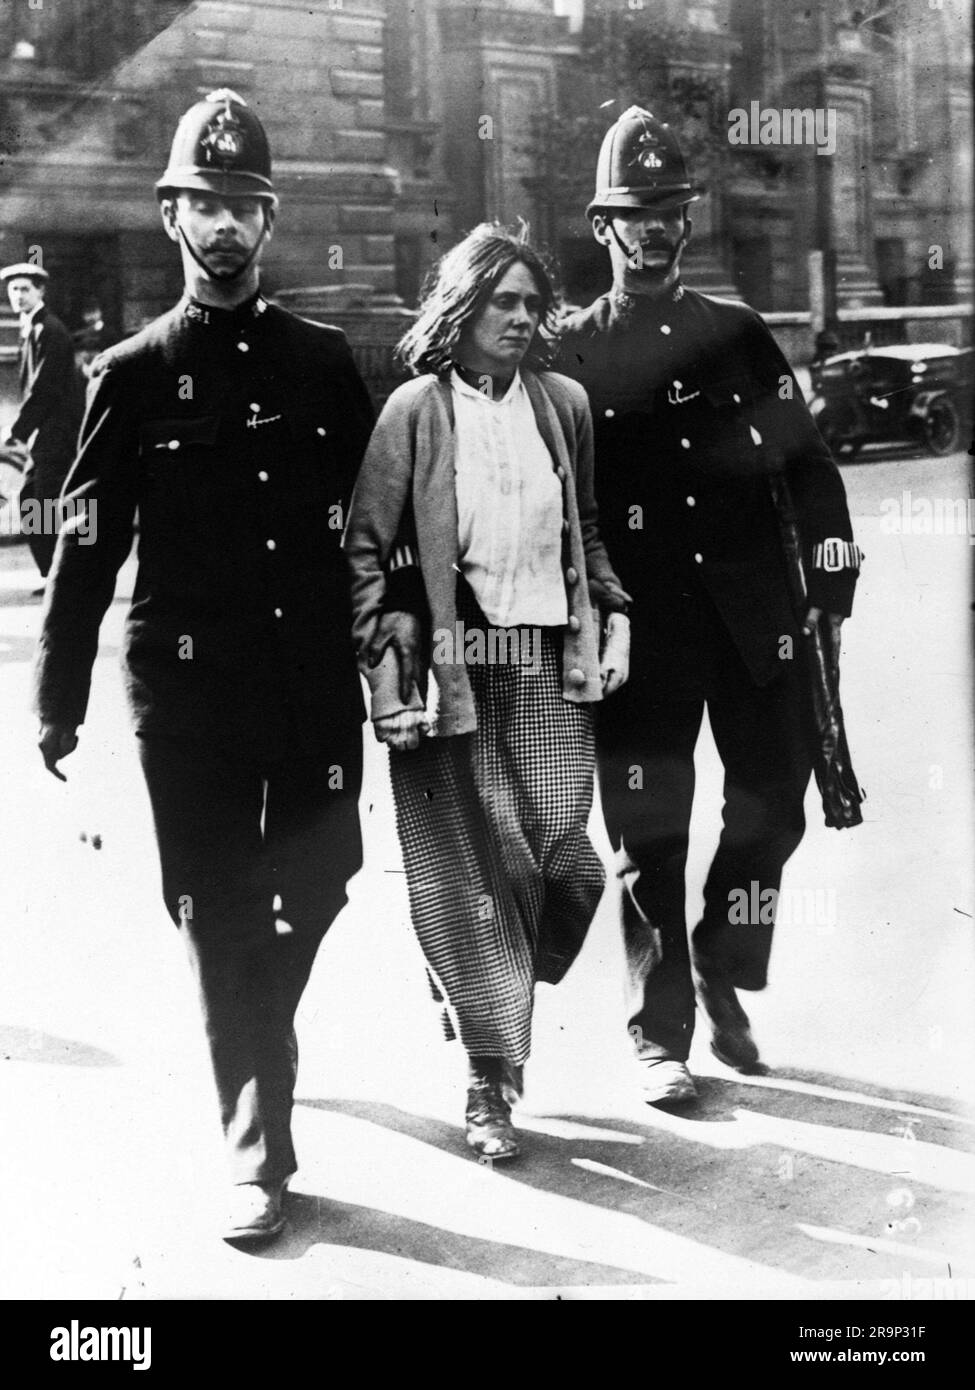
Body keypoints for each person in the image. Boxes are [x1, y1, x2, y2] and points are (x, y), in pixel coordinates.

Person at [32, 89, 374, 1242]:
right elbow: (88, 552)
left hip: (313, 685)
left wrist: (410, 646)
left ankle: (256, 1034)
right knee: (217, 909)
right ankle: (256, 1149)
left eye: (244, 205)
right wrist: (57, 698)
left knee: (325, 877)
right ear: (172, 215)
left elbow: (382, 535)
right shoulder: (127, 374)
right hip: (188, 702)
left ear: (268, 223)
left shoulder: (326, 364)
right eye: (205, 204)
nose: (224, 226)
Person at [557, 107, 862, 1105]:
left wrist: (830, 586)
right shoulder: (569, 355)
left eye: (669, 214)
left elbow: (810, 470)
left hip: (753, 624)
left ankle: (724, 962)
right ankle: (661, 1032)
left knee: (774, 812)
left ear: (688, 224)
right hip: (638, 636)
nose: (652, 232)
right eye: (634, 215)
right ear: (603, 227)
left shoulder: (739, 338)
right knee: (649, 835)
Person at [344, 224, 631, 1160]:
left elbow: (584, 528)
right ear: (460, 309)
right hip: (452, 675)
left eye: (530, 303)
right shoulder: (415, 412)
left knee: (562, 866)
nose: (519, 318)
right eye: (500, 302)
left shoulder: (564, 405)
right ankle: (486, 1080)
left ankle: (481, 985)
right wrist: (387, 672)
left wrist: (613, 611)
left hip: (548, 667)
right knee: (472, 877)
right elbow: (366, 550)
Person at [1, 262, 84, 592]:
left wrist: (17, 431)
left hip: (61, 436)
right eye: (13, 289)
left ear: (41, 292)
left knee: (53, 505)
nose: (18, 295)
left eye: (25, 289)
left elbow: (44, 388)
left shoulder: (50, 330)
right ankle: (56, 575)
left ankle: (70, 575)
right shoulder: (31, 328)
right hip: (47, 436)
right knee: (33, 501)